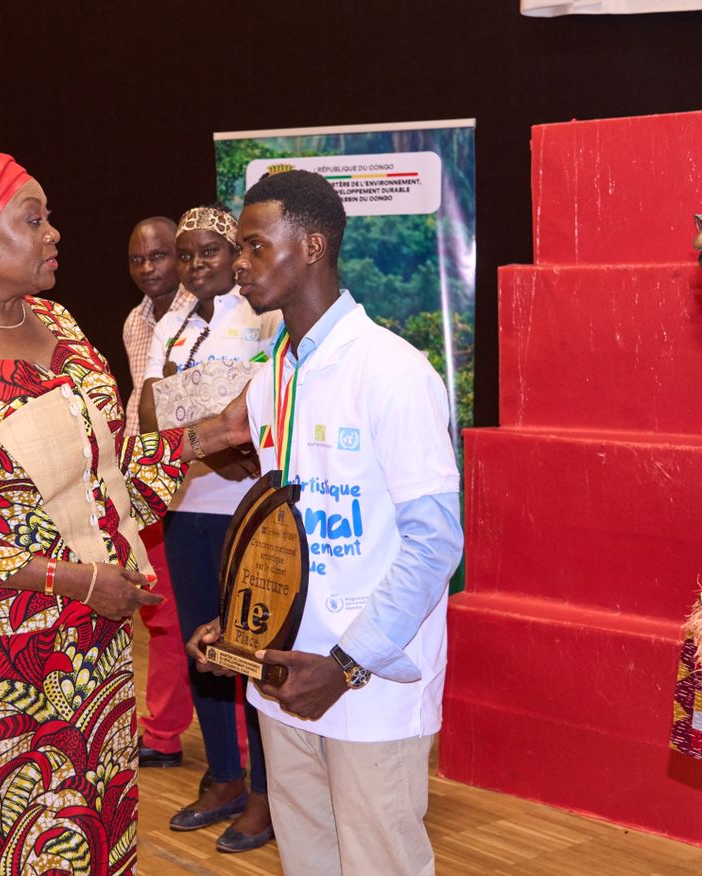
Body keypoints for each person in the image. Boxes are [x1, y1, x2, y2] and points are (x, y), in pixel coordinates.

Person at [0, 150, 251, 874]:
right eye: (33, 219)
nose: (54, 233)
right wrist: (72, 580)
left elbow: (113, 480)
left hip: (95, 641)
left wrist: (207, 436)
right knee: (21, 839)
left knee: (101, 827)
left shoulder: (59, 324)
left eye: (49, 218)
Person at [188, 169, 463, 876]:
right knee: (308, 862)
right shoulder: (272, 377)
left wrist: (345, 666)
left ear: (311, 246)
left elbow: (435, 545)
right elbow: (281, 531)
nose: (239, 263)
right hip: (283, 677)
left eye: (255, 245)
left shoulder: (394, 372)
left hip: (368, 687)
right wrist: (238, 624)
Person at [138, 205, 279, 852]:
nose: (196, 265)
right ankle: (224, 776)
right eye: (187, 254)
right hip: (189, 500)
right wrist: (213, 446)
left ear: (235, 254)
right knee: (202, 646)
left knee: (249, 647)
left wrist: (207, 434)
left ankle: (266, 792)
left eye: (210, 252)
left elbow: (263, 407)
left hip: (249, 507)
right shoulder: (172, 325)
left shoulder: (262, 316)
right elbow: (151, 411)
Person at [121, 216, 196, 769]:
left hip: (199, 485)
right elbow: (139, 402)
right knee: (161, 613)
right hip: (146, 486)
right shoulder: (135, 321)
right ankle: (164, 732)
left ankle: (179, 735)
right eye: (137, 259)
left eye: (160, 255)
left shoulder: (210, 313)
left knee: (195, 615)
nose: (148, 268)